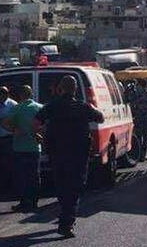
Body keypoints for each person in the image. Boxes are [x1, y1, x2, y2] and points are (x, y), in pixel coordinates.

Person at [33, 76, 104, 238]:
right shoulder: (83, 106)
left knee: (62, 186)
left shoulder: (52, 106)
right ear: (75, 89)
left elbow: (35, 123)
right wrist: (93, 107)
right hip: (78, 155)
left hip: (57, 154)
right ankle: (66, 223)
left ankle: (65, 217)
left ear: (60, 89)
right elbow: (100, 118)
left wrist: (39, 135)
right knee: (74, 188)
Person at [0, 85, 43, 214]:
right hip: (35, 147)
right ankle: (34, 202)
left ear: (20, 95)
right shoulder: (39, 107)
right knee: (34, 175)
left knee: (22, 176)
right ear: (31, 94)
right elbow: (47, 123)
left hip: (20, 147)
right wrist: (40, 133)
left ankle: (24, 202)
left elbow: (4, 123)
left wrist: (13, 130)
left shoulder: (17, 108)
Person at [0, 86, 17, 191]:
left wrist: (5, 121)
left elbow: (15, 120)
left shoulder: (13, 105)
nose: (0, 96)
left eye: (3, 94)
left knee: (10, 163)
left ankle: (10, 187)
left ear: (7, 94)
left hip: (8, 138)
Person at [128, 78, 147, 162]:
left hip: (146, 120)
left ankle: (143, 155)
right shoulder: (134, 95)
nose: (137, 87)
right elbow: (128, 101)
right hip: (137, 120)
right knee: (137, 138)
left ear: (142, 86)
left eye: (138, 85)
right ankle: (138, 155)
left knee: (145, 138)